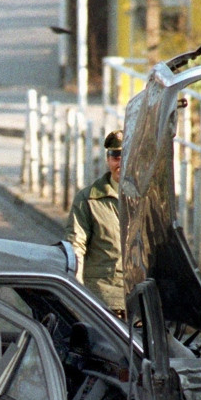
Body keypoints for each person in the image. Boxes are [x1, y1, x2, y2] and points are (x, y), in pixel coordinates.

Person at [65, 130, 125, 318]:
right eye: (116, 156)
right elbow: (76, 246)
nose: (121, 162)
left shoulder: (148, 199)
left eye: (127, 155)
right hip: (103, 302)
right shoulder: (88, 199)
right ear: (108, 159)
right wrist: (78, 294)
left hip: (141, 303)